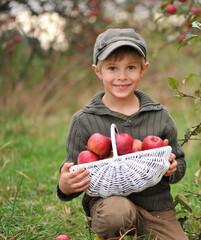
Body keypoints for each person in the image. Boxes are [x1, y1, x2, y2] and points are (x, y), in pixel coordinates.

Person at [56, 28, 187, 240]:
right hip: (110, 205)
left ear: (143, 69)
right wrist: (65, 186)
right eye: (113, 68)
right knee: (115, 214)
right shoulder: (84, 120)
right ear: (98, 71)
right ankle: (111, 232)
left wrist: (172, 168)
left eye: (131, 67)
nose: (122, 76)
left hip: (156, 208)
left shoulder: (159, 115)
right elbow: (74, 170)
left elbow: (179, 163)